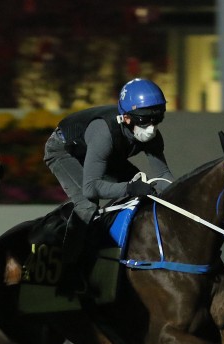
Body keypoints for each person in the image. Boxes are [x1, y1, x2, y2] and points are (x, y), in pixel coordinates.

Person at [44, 78, 174, 296]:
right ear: (126, 117)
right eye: (144, 120)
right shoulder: (103, 133)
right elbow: (91, 188)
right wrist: (130, 189)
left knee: (141, 186)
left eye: (156, 118)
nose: (151, 128)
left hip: (103, 155)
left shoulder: (149, 134)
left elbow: (162, 176)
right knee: (87, 205)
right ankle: (66, 275)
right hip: (65, 151)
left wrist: (176, 201)